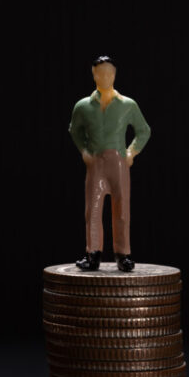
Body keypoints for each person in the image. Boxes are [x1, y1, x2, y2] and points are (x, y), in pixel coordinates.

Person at [69, 55, 151, 272]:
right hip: (96, 162)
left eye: (109, 72)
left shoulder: (127, 105)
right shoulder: (83, 106)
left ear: (114, 74)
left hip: (118, 162)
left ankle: (123, 254)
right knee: (93, 209)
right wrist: (84, 151)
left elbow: (144, 130)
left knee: (122, 208)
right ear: (93, 74)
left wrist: (131, 153)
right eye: (100, 72)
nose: (105, 76)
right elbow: (74, 130)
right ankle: (92, 253)